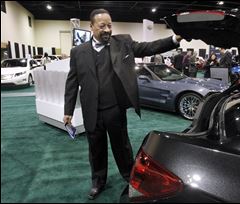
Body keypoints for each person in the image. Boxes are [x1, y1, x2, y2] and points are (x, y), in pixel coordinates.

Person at [63, 8, 183, 200]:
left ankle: (129, 177)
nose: (107, 29)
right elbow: (72, 82)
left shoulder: (123, 42)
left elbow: (148, 47)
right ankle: (98, 182)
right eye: (102, 26)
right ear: (91, 27)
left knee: (122, 147)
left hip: (115, 109)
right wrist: (68, 110)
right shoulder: (78, 52)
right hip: (91, 110)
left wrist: (174, 39)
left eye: (109, 25)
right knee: (96, 148)